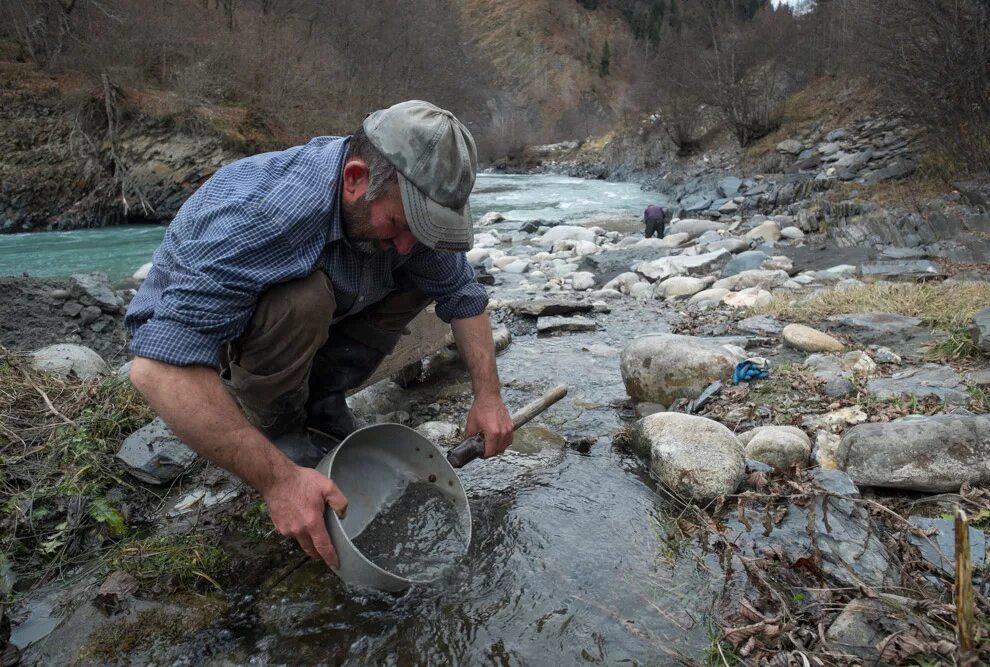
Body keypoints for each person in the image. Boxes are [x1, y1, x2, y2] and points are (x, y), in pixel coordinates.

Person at [125, 100, 514, 568]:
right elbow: (158, 370)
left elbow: (463, 296)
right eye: (399, 224)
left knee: (419, 269)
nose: (409, 241)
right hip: (221, 336)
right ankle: (279, 423)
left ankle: (322, 402)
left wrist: (488, 397)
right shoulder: (262, 218)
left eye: (424, 229)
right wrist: (279, 482)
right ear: (355, 180)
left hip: (331, 309)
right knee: (303, 297)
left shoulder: (401, 210)